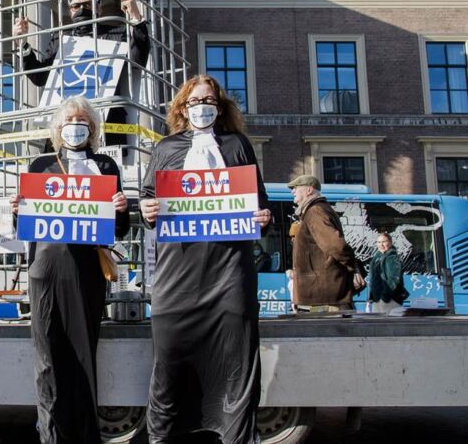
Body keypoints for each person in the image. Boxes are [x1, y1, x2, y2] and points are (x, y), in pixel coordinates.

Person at [139, 75, 271, 444]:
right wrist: (146, 209)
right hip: (178, 276)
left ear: (220, 105)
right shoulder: (165, 148)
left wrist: (263, 217)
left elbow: (259, 204)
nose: (202, 106)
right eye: (195, 101)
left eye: (209, 99)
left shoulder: (238, 145)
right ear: (183, 108)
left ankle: (236, 436)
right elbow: (147, 202)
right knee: (168, 366)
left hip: (229, 273)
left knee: (236, 363)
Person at [10, 95, 129, 444]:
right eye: (68, 122)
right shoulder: (40, 164)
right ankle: (51, 435)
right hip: (44, 270)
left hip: (86, 273)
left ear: (92, 129)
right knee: (47, 357)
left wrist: (121, 209)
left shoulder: (106, 167)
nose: (75, 127)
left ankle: (85, 434)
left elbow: (118, 230)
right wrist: (18, 209)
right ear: (57, 129)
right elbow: (25, 225)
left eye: (82, 122)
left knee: (82, 353)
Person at [12, 0, 150, 146]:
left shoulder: (116, 32)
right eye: (76, 6)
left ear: (99, 8)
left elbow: (137, 61)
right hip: (66, 121)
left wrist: (135, 17)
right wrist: (21, 44)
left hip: (105, 124)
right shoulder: (60, 38)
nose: (81, 10)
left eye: (87, 5)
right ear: (70, 11)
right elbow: (40, 77)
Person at [287, 174, 357, 313]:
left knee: (325, 333)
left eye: (296, 188)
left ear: (309, 190)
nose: (292, 192)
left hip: (322, 296)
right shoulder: (314, 210)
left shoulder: (315, 211)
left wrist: (353, 266)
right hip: (322, 294)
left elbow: (335, 246)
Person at [367, 232, 407, 313]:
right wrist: (370, 298)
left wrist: (384, 298)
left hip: (388, 300)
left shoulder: (392, 258)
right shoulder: (377, 258)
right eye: (379, 242)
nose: (381, 245)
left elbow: (394, 279)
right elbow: (374, 279)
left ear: (390, 243)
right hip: (377, 299)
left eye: (384, 242)